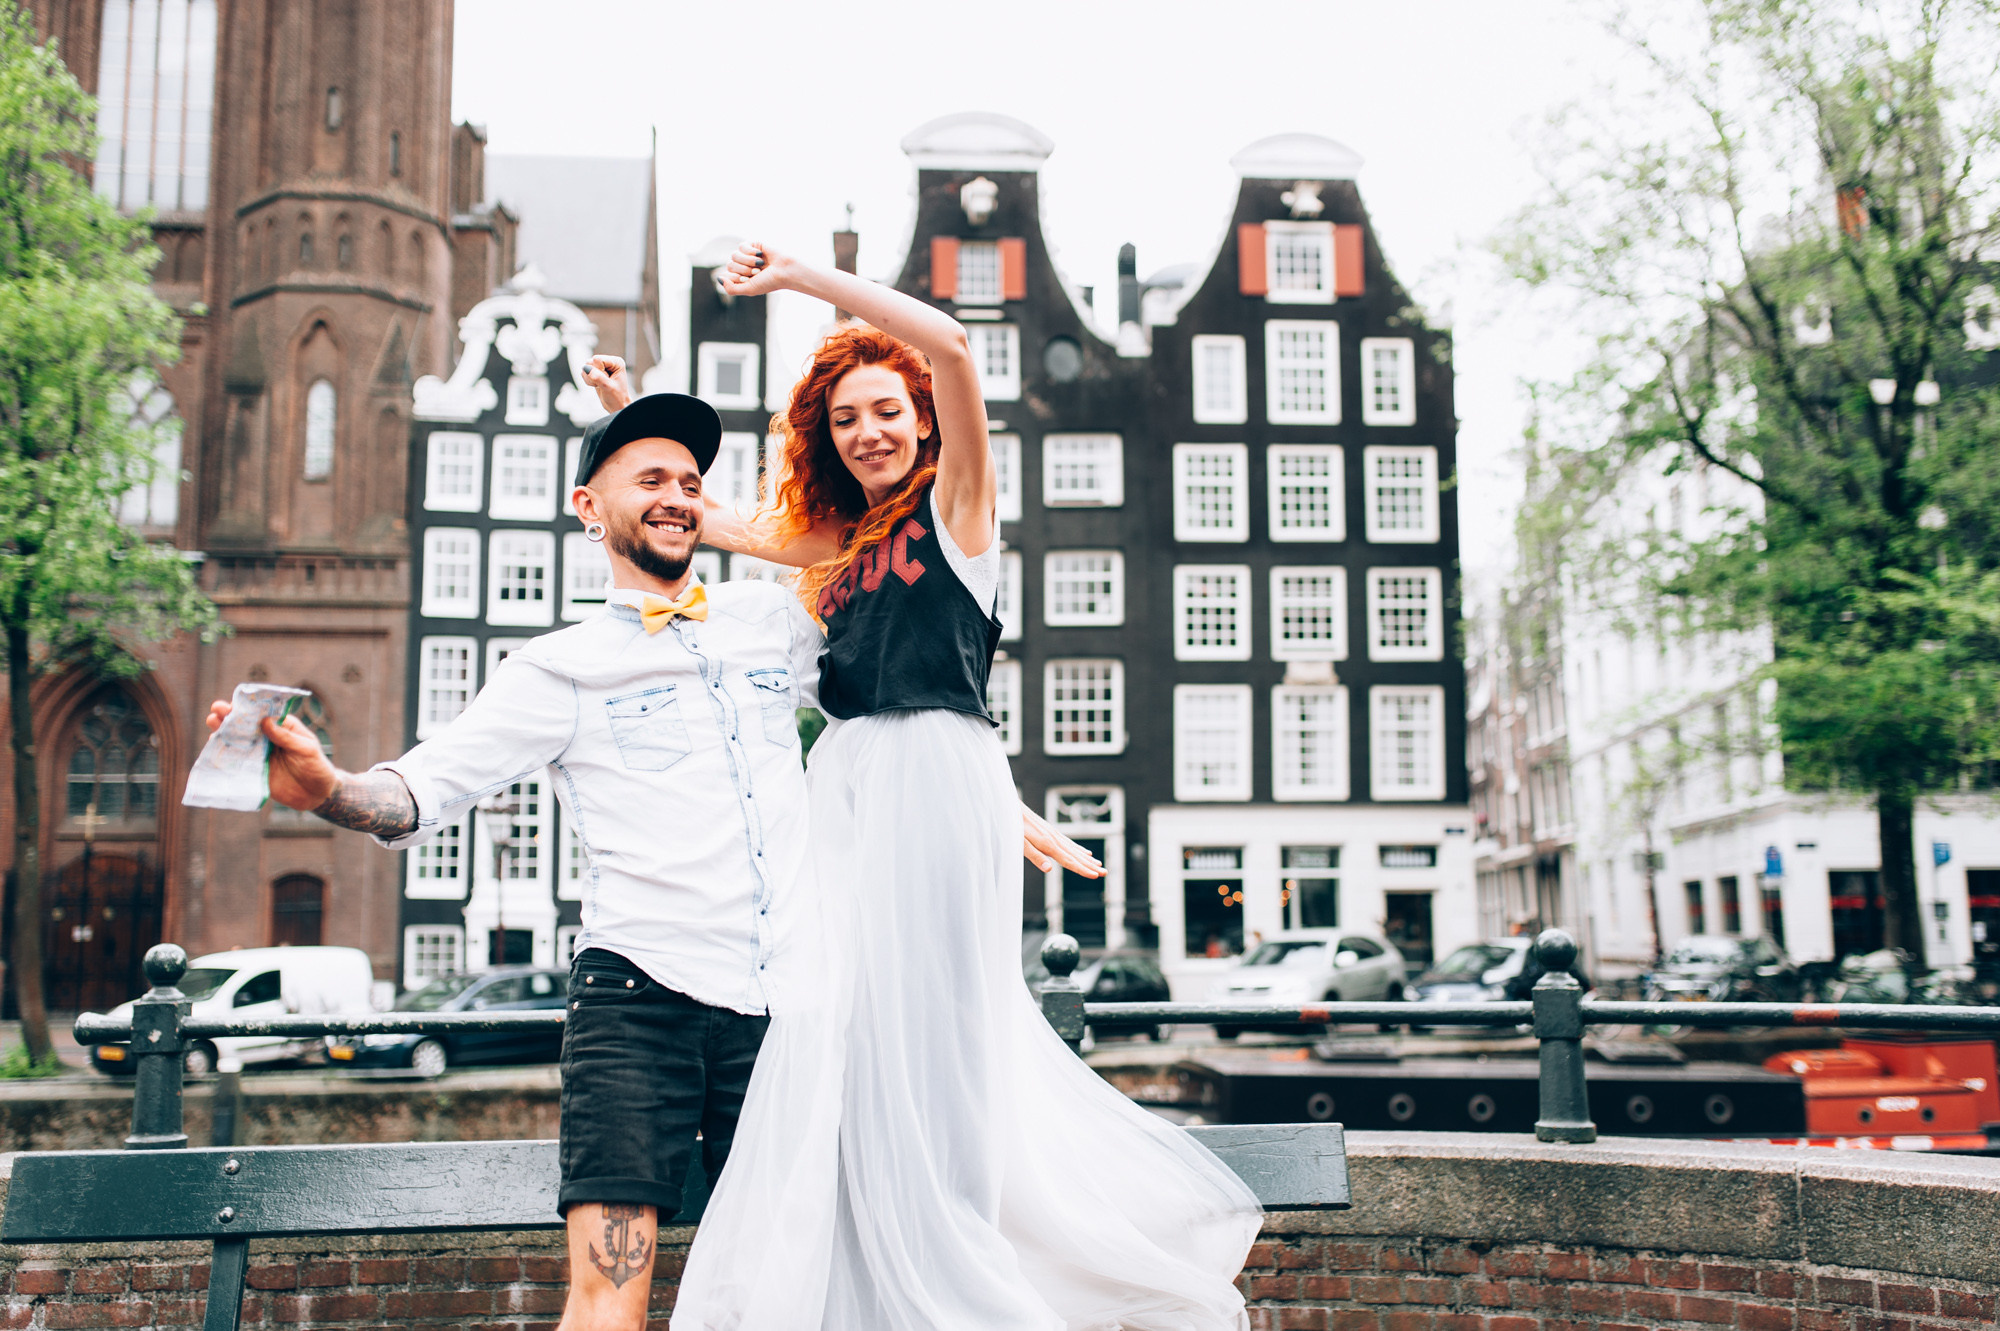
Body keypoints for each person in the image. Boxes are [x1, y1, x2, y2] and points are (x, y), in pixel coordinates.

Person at [202, 391, 1097, 1331]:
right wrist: (327, 787)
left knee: (810, 1287)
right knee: (608, 1297)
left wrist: (989, 796)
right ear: (591, 507)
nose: (676, 496)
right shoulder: (556, 670)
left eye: (689, 481)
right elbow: (420, 790)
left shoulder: (772, 625)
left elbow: (891, 702)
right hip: (641, 1002)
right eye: (650, 479)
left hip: (786, 1012)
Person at [596, 241, 1261, 1329]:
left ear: (921, 419)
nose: (866, 430)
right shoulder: (838, 542)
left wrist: (805, 279)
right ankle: (860, 1275)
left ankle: (956, 1270)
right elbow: (709, 524)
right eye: (845, 417)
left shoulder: (957, 510)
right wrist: (635, 429)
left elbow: (948, 345)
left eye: (884, 410)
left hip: (929, 775)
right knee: (838, 1027)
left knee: (936, 1030)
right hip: (846, 781)